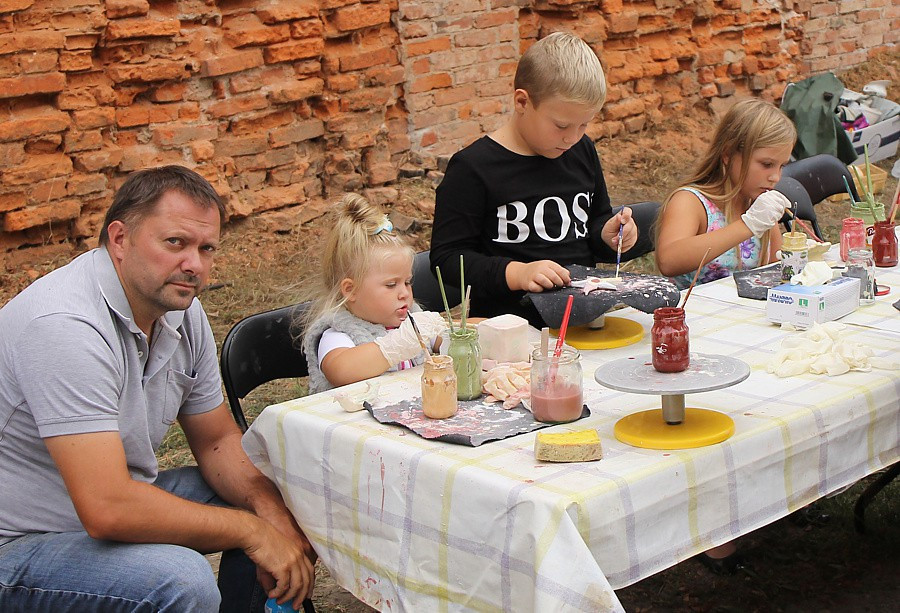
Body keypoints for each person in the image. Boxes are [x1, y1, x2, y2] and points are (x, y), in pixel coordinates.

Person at [0, 166, 315, 612]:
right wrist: (254, 533)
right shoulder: (64, 328)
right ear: (120, 239)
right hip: (19, 543)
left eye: (207, 249)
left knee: (272, 496)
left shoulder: (181, 310)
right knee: (179, 581)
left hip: (108, 499)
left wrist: (270, 513)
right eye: (175, 243)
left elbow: (217, 440)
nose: (195, 265)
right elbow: (108, 507)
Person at [430, 31, 639, 327]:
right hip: (508, 331)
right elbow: (447, 260)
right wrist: (518, 273)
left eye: (584, 124)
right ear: (522, 101)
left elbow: (591, 227)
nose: (572, 137)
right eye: (561, 125)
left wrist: (608, 235)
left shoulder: (582, 151)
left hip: (583, 323)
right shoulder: (473, 168)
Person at [301, 194, 447, 394]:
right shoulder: (340, 333)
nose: (404, 293)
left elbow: (449, 336)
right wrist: (399, 344)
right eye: (391, 285)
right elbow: (341, 371)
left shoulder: (411, 320)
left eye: (407, 282)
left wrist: (483, 331)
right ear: (350, 290)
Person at [655, 98, 797, 287]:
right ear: (728, 154)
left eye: (782, 166)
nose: (775, 177)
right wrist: (748, 225)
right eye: (767, 164)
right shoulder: (690, 202)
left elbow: (775, 269)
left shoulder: (758, 205)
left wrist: (797, 258)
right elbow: (669, 261)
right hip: (694, 313)